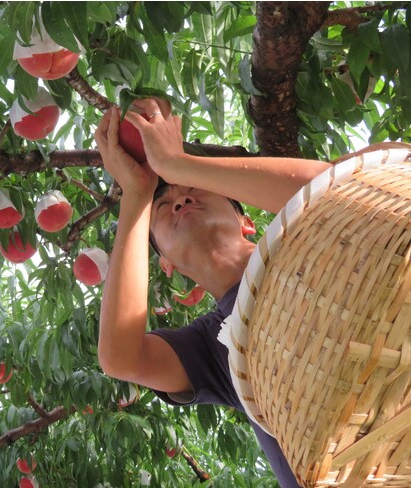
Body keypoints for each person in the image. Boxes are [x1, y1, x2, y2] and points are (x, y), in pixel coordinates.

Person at [94, 98, 332, 487]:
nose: (180, 200)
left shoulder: (304, 245)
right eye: (164, 207)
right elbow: (121, 357)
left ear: (247, 221)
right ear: (165, 265)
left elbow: (351, 188)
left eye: (192, 190)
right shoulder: (214, 346)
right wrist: (136, 195)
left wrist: (175, 163)